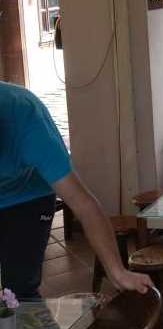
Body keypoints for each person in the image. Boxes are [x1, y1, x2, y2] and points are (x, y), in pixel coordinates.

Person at [0, 82, 153, 299]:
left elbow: (84, 204)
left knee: (19, 288)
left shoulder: (28, 123)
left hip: (29, 196)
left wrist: (118, 272)